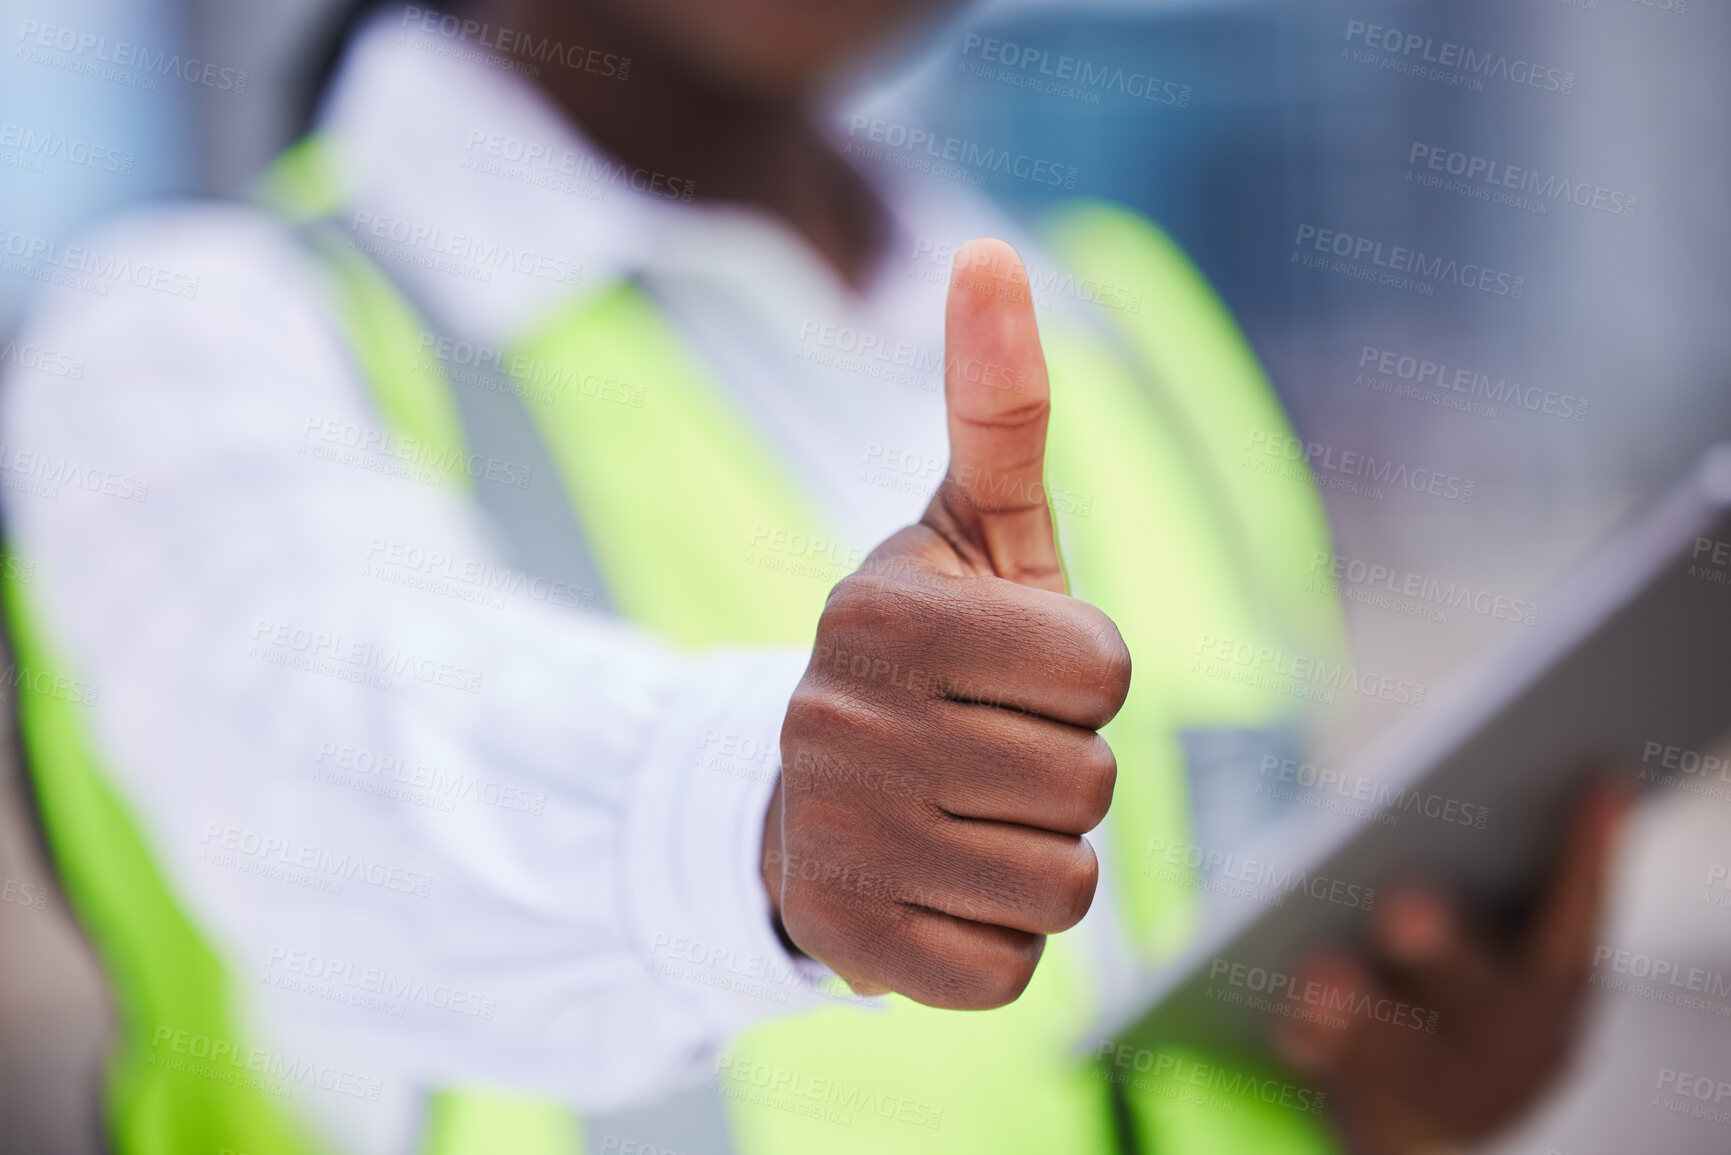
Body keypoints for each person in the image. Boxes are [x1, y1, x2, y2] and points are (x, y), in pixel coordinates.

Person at [0, 0, 1628, 1152]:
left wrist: (1390, 1094)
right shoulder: (193, 336)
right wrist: (762, 819)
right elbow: (344, 775)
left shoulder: (1134, 332)